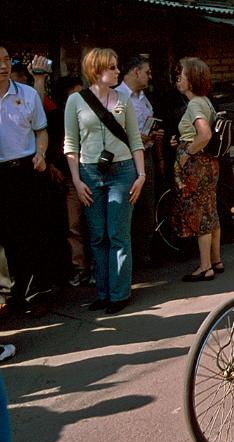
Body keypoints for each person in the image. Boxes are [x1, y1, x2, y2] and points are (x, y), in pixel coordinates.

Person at [64, 48, 145, 315]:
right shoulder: (75, 101)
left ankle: (119, 294)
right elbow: (71, 144)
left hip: (122, 172)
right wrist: (76, 180)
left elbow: (135, 139)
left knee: (118, 234)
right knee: (97, 236)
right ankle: (103, 292)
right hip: (89, 173)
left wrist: (141, 174)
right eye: (112, 67)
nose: (117, 71)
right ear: (96, 71)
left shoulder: (123, 99)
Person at [0, 46, 52, 318]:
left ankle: (37, 294)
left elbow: (41, 131)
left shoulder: (28, 94)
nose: (3, 66)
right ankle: (11, 297)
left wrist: (41, 153)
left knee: (33, 234)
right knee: (5, 239)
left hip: (26, 170)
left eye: (6, 60)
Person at [170, 57, 223, 282]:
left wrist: (186, 153)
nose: (177, 79)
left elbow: (204, 134)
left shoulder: (194, 104)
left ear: (192, 78)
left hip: (196, 164)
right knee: (210, 210)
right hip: (208, 163)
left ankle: (204, 266)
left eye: (181, 75)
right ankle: (216, 260)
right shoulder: (204, 101)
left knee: (200, 213)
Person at [116, 55, 164, 267]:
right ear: (135, 72)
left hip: (147, 155)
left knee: (147, 206)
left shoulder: (144, 97)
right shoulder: (116, 96)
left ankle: (144, 254)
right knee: (127, 208)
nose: (149, 76)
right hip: (125, 158)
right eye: (146, 72)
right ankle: (127, 258)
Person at [47, 76, 90, 286]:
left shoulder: (89, 113)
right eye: (76, 91)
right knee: (74, 226)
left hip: (90, 174)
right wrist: (52, 164)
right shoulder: (57, 117)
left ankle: (95, 268)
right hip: (69, 177)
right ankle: (79, 268)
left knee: (93, 225)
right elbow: (53, 143)